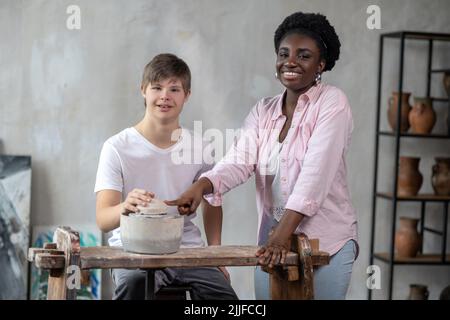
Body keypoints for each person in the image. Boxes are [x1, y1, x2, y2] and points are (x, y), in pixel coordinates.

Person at [165, 12, 358, 300]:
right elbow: (239, 161)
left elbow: (314, 177)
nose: (290, 62)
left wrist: (282, 234)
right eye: (284, 53)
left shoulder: (332, 103)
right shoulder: (263, 111)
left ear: (321, 64)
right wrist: (202, 186)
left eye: (303, 56)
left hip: (326, 243)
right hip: (273, 244)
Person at [94, 53, 238, 300]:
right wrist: (125, 207)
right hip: (132, 250)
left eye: (174, 89)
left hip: (188, 250)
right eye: (157, 87)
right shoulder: (116, 147)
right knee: (135, 284)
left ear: (187, 95)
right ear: (143, 90)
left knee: (225, 298)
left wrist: (216, 254)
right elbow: (103, 219)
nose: (165, 96)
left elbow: (213, 201)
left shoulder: (200, 146)